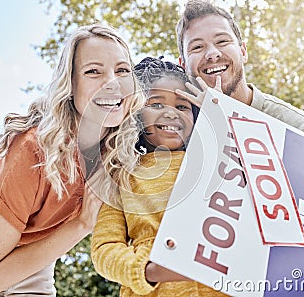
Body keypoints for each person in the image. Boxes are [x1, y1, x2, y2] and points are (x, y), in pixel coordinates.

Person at [0, 23, 145, 297]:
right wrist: (82, 224)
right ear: (70, 84)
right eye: (93, 71)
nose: (112, 83)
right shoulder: (34, 150)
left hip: (31, 246)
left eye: (122, 70)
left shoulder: (118, 150)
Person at [91, 57, 229, 296]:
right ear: (134, 114)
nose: (171, 113)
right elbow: (104, 250)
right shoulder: (123, 175)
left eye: (182, 106)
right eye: (156, 104)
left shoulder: (221, 166)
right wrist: (149, 269)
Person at [175, 0, 304, 143]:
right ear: (183, 65)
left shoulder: (300, 128)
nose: (212, 54)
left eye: (222, 41)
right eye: (197, 47)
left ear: (243, 52)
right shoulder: (175, 132)